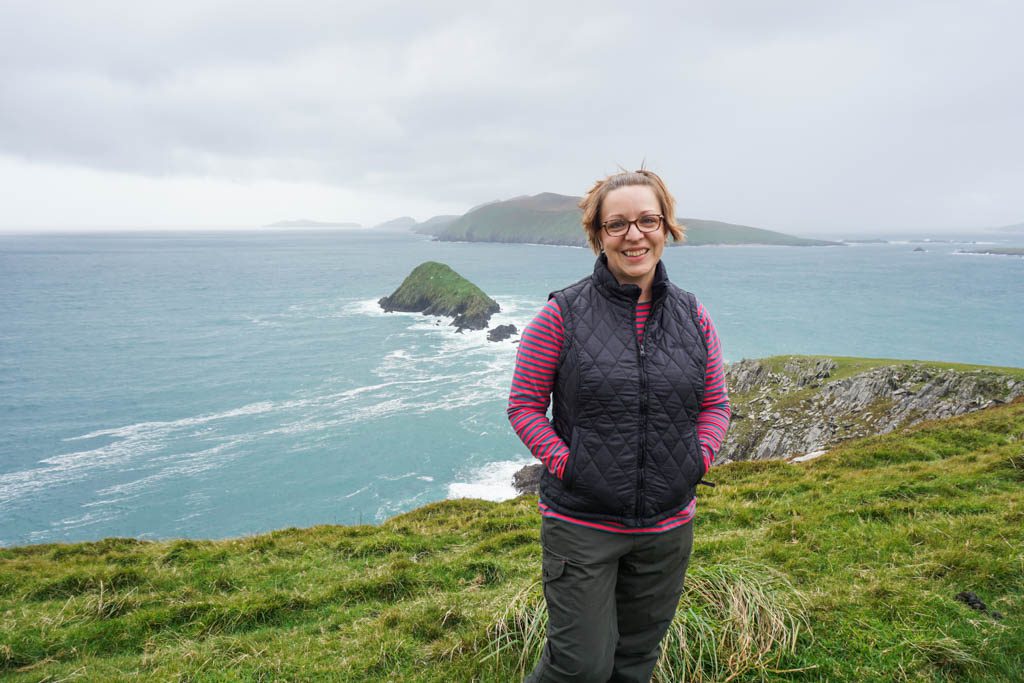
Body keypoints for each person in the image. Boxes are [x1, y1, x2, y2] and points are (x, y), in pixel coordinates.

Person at [507, 168, 731, 682]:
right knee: (579, 667)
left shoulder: (694, 316)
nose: (635, 235)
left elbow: (715, 403)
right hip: (582, 526)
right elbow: (523, 406)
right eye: (618, 224)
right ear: (598, 235)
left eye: (648, 220)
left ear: (667, 227)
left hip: (667, 527)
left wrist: (697, 459)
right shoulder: (561, 315)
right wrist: (572, 464)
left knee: (634, 662)